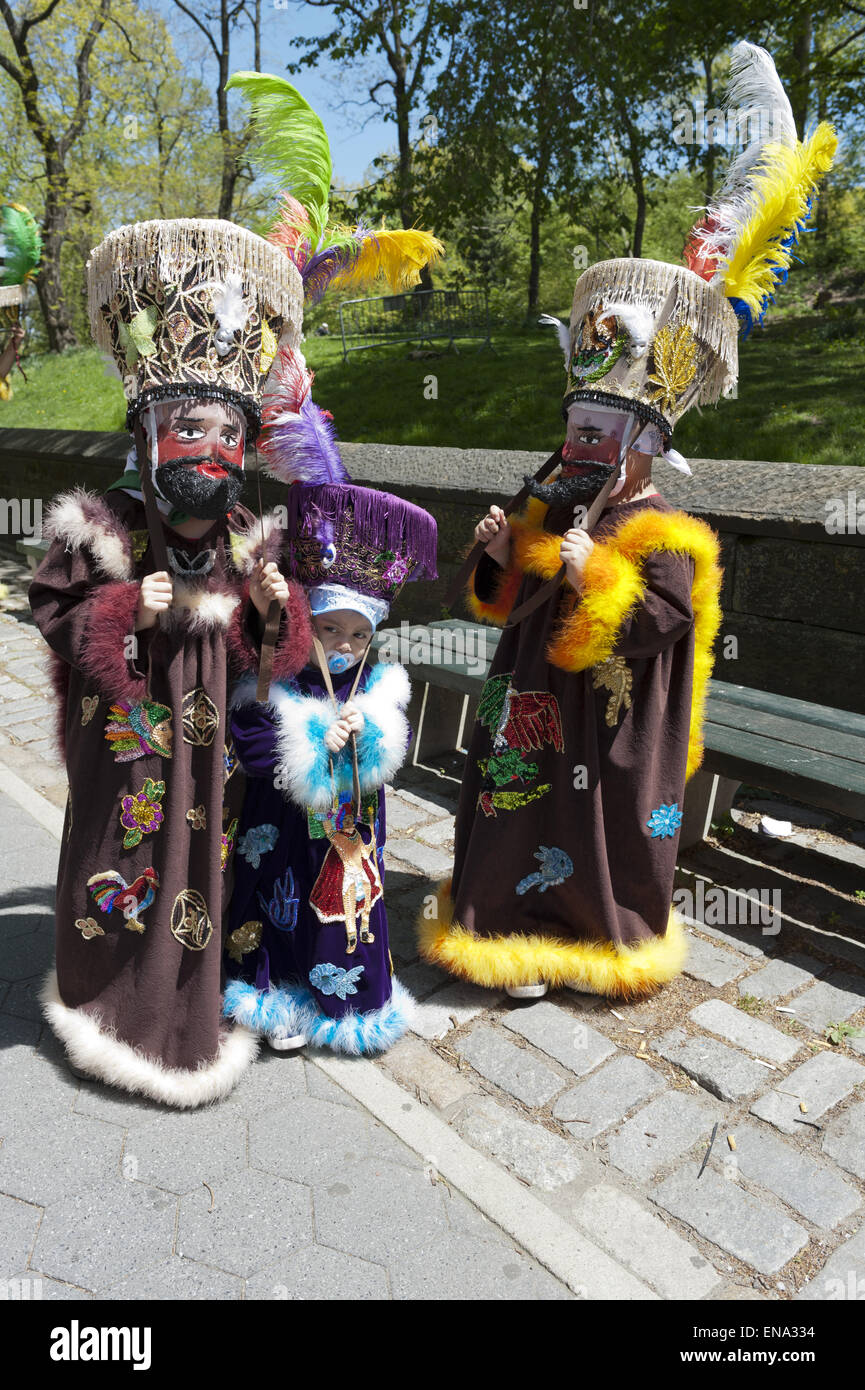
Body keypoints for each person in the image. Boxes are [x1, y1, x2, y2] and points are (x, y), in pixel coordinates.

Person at [419, 41, 836, 1002]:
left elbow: (657, 624)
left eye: (604, 430)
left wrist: (588, 575)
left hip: (609, 726)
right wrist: (501, 557)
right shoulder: (551, 494)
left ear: (650, 445)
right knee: (512, 798)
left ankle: (595, 938)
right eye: (575, 426)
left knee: (593, 820)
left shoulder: (667, 534)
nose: (582, 445)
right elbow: (500, 604)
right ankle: (499, 926)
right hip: (528, 710)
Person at [29, 216, 312, 1105]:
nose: (211, 452)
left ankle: (184, 1001)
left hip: (208, 751)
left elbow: (276, 658)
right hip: (126, 746)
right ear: (151, 430)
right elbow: (56, 611)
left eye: (228, 433)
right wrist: (122, 609)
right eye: (189, 428)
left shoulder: (241, 535)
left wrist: (275, 612)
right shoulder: (105, 522)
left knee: (200, 865)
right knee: (121, 852)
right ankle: (104, 999)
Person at [224, 479, 437, 1054]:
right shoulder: (279, 674)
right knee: (279, 897)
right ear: (308, 622)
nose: (346, 644)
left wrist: (367, 735)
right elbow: (252, 743)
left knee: (346, 908)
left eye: (360, 633)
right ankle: (279, 992)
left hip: (349, 828)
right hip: (283, 825)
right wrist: (316, 739)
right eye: (331, 628)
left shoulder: (377, 680)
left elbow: (389, 751)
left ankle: (348, 1002)